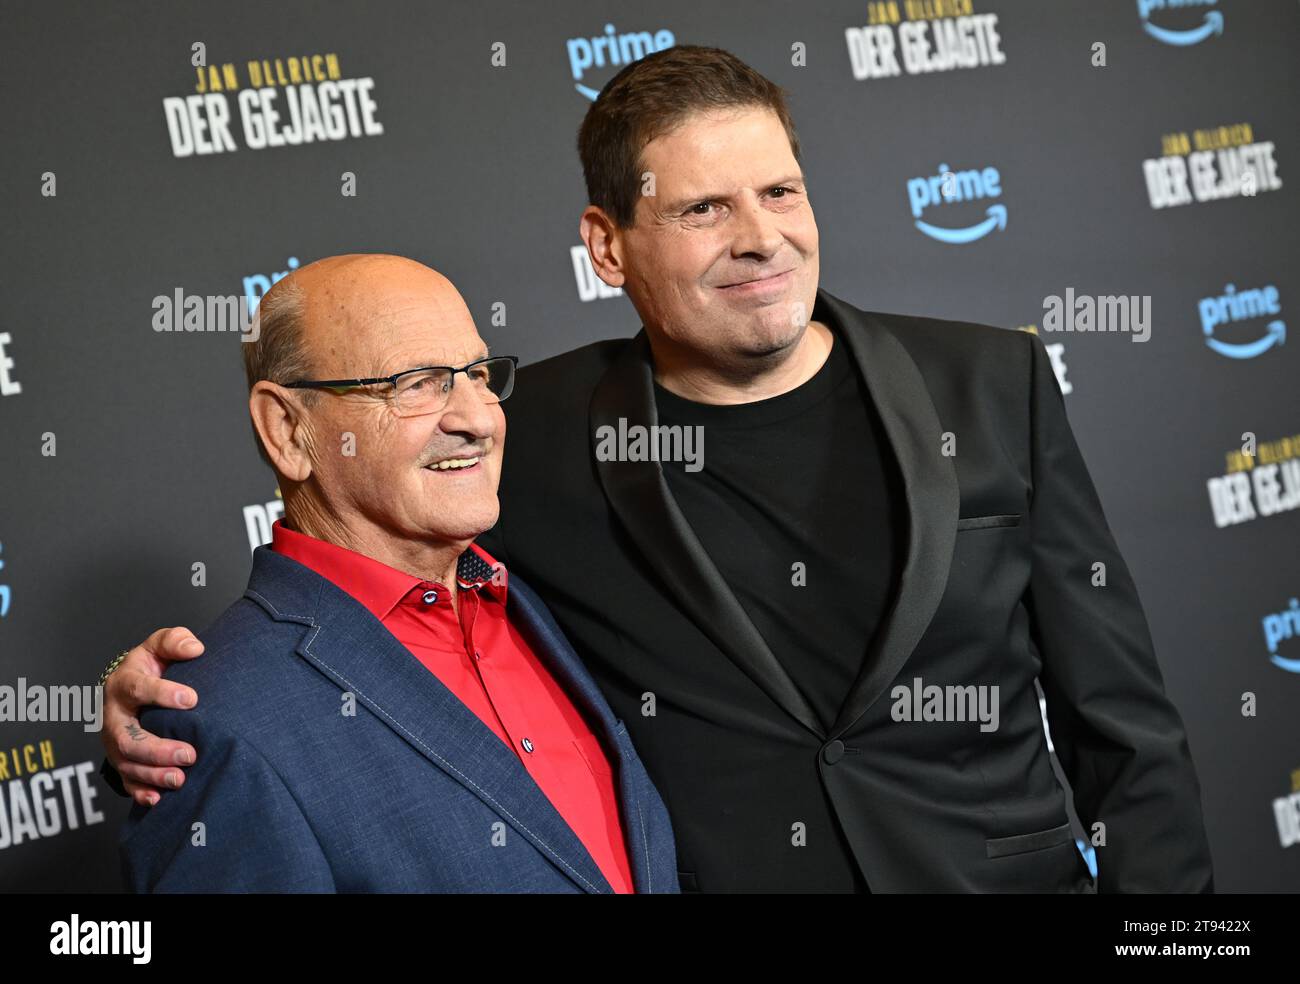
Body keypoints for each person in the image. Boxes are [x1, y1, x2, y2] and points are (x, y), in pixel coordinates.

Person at [103, 46, 1213, 893]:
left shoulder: (992, 384)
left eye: (780, 193)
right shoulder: (517, 429)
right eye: (701, 209)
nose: (760, 237)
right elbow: (362, 575)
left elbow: (1123, 724)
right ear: (606, 246)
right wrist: (165, 699)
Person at [117, 254, 677, 892]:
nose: (477, 419)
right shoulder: (223, 725)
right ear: (288, 430)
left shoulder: (536, 591)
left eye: (478, 375)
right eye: (417, 382)